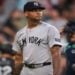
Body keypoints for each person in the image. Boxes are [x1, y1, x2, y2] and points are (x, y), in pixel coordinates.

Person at [12, 1, 62, 75]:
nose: (38, 12)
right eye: (34, 10)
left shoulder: (50, 29)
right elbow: (19, 58)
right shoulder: (19, 34)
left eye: (40, 10)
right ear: (26, 13)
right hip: (26, 70)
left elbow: (56, 54)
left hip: (43, 68)